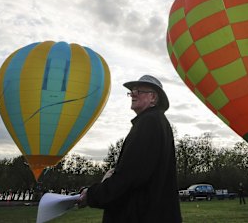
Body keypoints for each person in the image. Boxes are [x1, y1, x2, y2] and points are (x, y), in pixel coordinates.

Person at [77, 75, 182, 222]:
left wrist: (92, 194)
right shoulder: (157, 123)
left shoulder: (149, 123)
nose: (132, 94)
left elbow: (128, 177)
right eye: (132, 91)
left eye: (139, 91)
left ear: (153, 97)